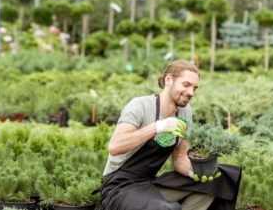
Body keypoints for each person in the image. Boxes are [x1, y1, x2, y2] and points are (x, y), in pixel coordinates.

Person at [93, 60, 242, 210]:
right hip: (119, 187)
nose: (191, 92)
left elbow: (179, 157)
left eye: (194, 88)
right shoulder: (140, 106)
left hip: (148, 183)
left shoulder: (185, 111)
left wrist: (193, 172)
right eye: (186, 85)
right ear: (169, 79)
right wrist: (157, 127)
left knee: (218, 179)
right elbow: (115, 146)